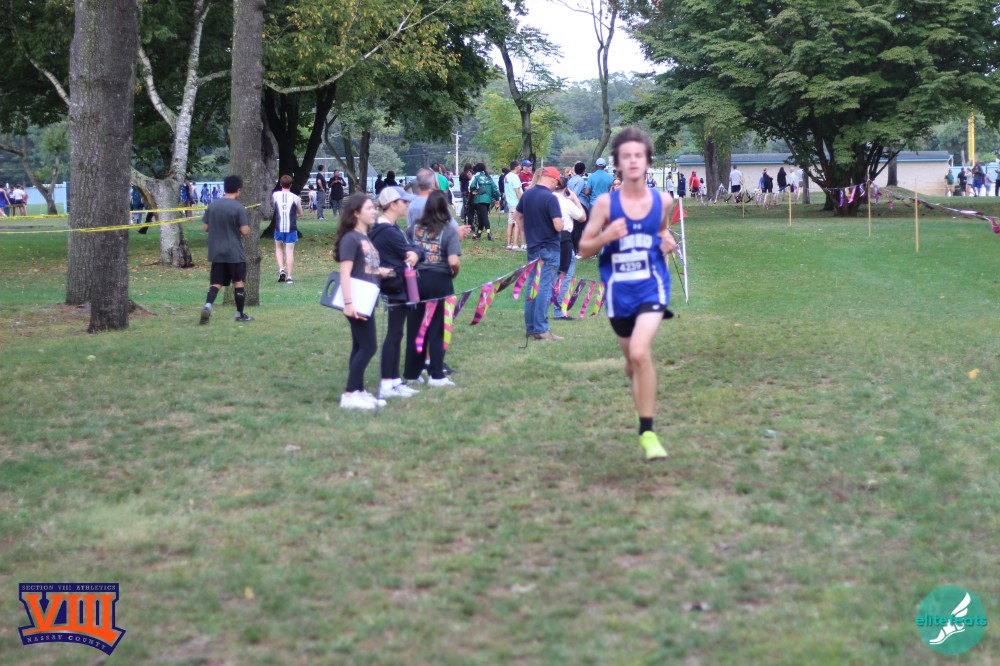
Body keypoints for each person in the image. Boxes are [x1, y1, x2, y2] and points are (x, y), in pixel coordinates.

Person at [578, 127, 677, 462]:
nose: (633, 161)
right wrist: (606, 237)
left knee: (639, 352)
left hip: (652, 286)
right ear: (617, 164)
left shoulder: (663, 201)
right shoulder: (606, 204)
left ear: (647, 161)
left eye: (638, 155)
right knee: (633, 363)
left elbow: (661, 229)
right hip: (618, 291)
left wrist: (667, 239)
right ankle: (637, 377)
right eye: (626, 156)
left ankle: (648, 432)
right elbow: (584, 249)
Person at [334, 193, 394, 410]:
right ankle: (350, 394)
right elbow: (345, 272)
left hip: (367, 298)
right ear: (356, 213)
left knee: (359, 345)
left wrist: (381, 271)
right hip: (357, 300)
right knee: (369, 346)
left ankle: (358, 390)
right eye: (369, 208)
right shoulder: (351, 238)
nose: (373, 211)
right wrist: (348, 303)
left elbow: (365, 267)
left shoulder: (364, 237)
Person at [370, 186, 423, 399]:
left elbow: (414, 249)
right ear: (393, 205)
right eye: (404, 202)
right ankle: (387, 383)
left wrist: (416, 253)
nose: (408, 205)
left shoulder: (390, 228)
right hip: (394, 286)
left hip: (397, 284)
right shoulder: (388, 232)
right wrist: (416, 253)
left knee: (397, 334)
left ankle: (394, 381)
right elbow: (408, 251)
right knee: (393, 335)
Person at [404, 190, 461, 387]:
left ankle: (412, 373)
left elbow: (406, 252)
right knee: (437, 328)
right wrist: (453, 273)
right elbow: (453, 261)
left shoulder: (413, 228)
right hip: (440, 281)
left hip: (416, 281)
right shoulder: (449, 231)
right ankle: (436, 375)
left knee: (415, 326)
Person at [512, 165, 564, 341]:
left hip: (533, 248)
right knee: (544, 288)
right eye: (557, 183)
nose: (556, 186)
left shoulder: (528, 194)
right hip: (549, 248)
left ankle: (531, 328)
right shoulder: (550, 198)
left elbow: (517, 215)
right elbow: (558, 226)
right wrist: (562, 223)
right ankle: (541, 329)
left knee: (532, 286)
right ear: (553, 179)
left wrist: (525, 232)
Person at [199, 175, 254, 325]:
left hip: (216, 252)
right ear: (238, 190)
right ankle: (239, 314)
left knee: (216, 283)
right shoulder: (239, 207)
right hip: (234, 252)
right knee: (238, 282)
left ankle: (208, 306)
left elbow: (206, 227)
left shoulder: (213, 205)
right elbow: (244, 231)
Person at [552, 176, 586, 321]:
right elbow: (582, 217)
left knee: (548, 274)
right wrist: (575, 199)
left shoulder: (546, 199)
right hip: (563, 238)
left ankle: (541, 307)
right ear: (566, 189)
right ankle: (558, 310)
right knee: (564, 274)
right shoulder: (566, 202)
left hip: (546, 238)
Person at [272, 175, 303, 284]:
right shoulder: (296, 198)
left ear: (280, 184)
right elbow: (300, 213)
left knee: (278, 248)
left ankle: (281, 270)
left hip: (279, 227)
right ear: (291, 184)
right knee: (289, 251)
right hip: (291, 227)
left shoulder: (275, 195)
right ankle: (289, 277)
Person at [468, 162, 500, 240]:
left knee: (484, 216)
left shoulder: (476, 177)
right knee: (481, 217)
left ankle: (489, 233)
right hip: (488, 200)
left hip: (479, 200)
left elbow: (472, 186)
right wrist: (497, 198)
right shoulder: (489, 177)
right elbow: (495, 189)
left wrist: (473, 191)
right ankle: (478, 234)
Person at [567, 161, 589, 252]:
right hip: (580, 204)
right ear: (583, 171)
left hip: (572, 204)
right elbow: (575, 194)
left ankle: (574, 248)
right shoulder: (580, 181)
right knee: (581, 228)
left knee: (575, 228)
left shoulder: (570, 180)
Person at [504, 160, 525, 250]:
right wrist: (522, 202)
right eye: (520, 166)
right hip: (516, 203)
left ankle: (508, 244)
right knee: (517, 223)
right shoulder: (515, 177)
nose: (521, 168)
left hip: (510, 203)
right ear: (516, 167)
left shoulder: (507, 176)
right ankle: (515, 245)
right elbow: (517, 191)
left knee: (510, 223)